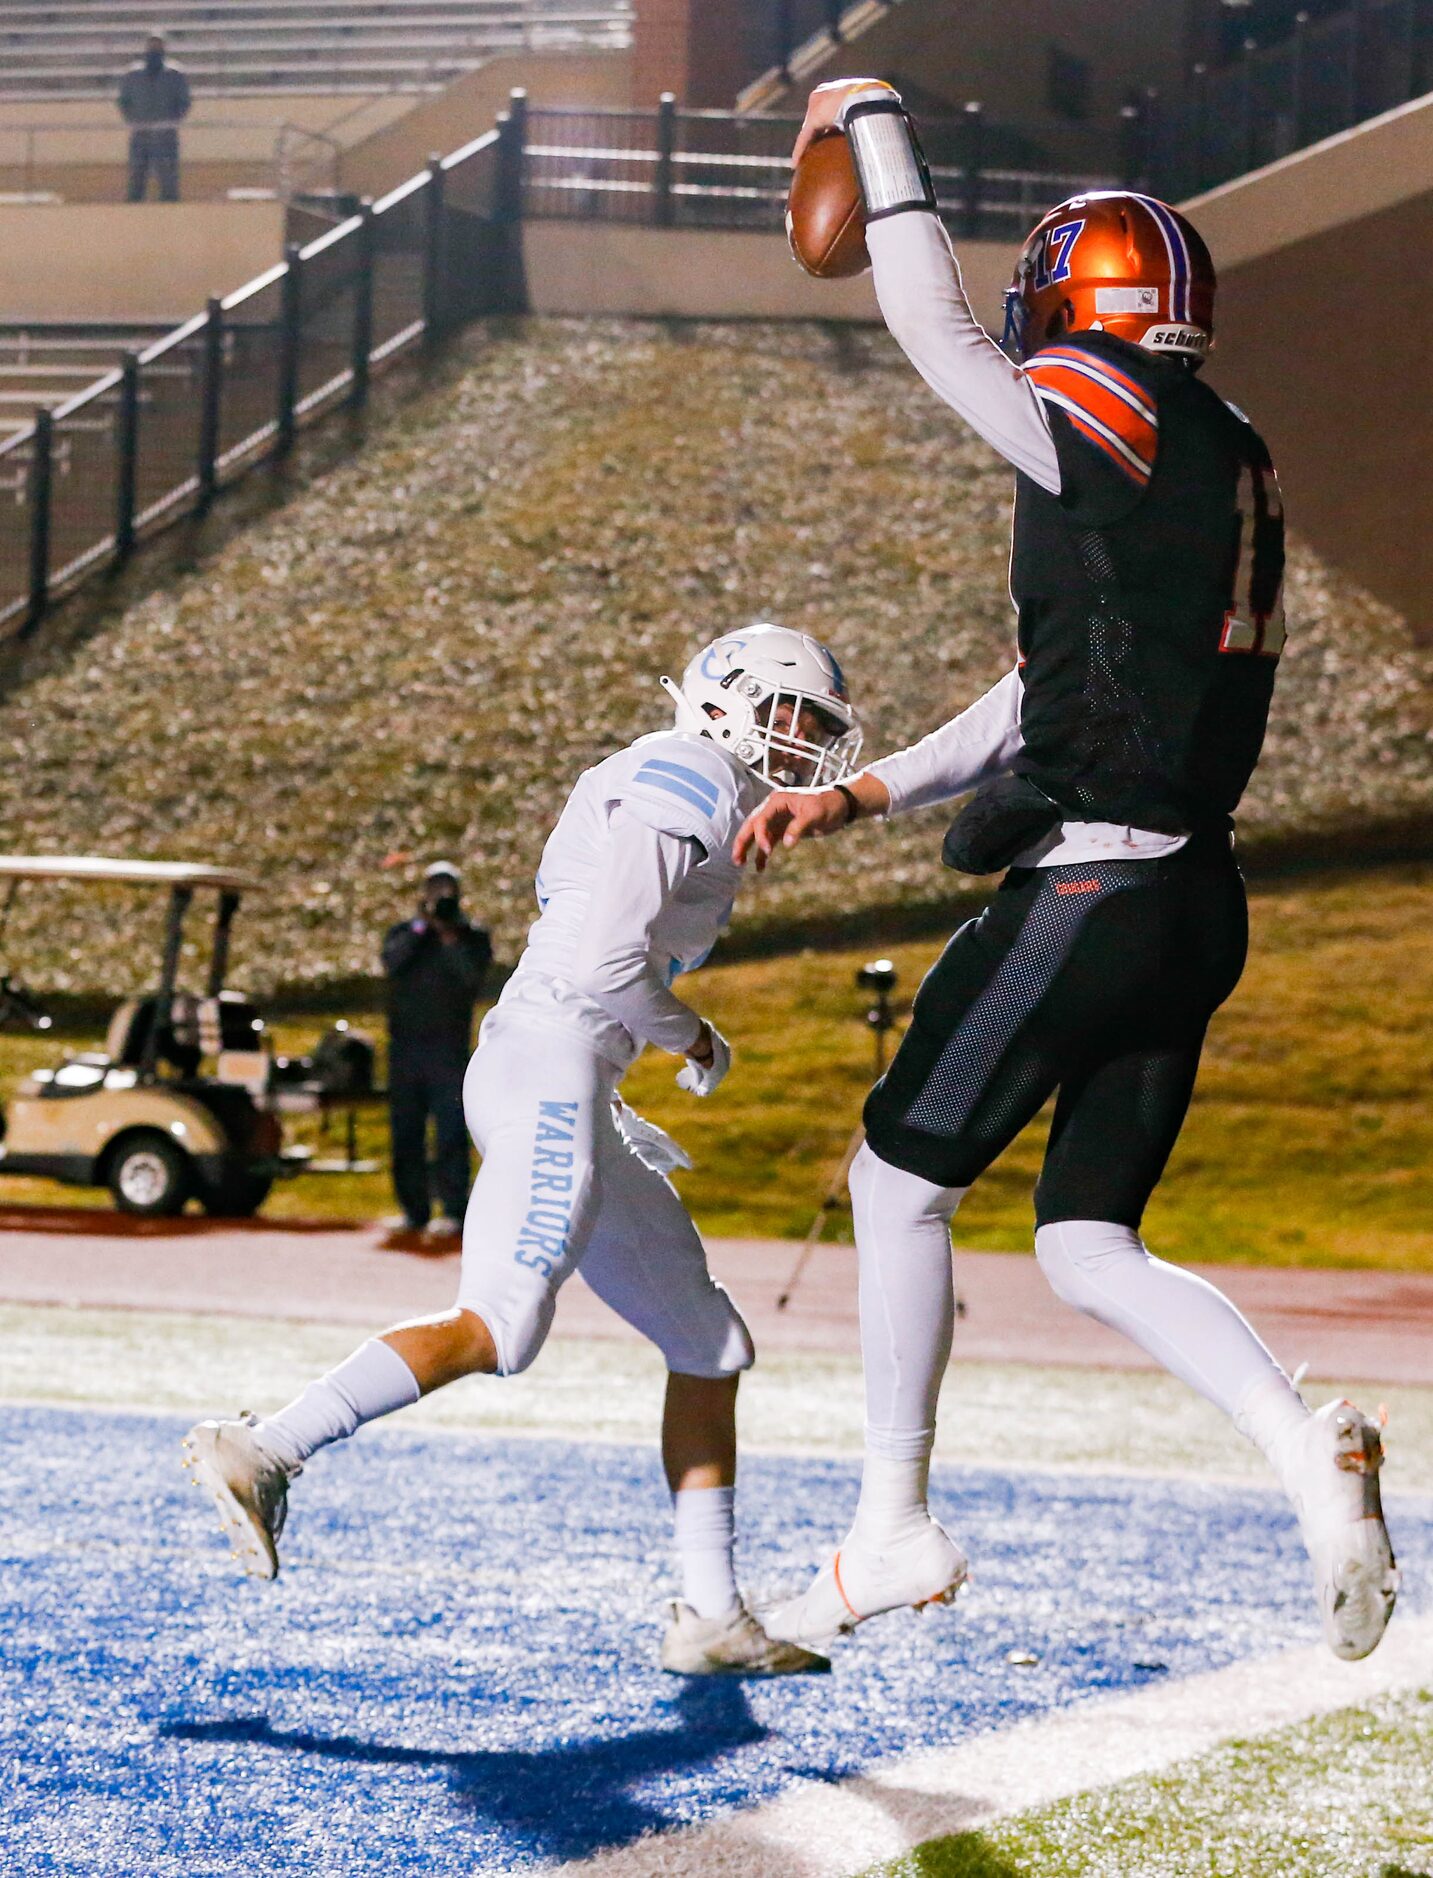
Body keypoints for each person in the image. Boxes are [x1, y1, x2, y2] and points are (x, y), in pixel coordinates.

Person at [734, 82, 1397, 1664]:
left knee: (901, 1181)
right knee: (1089, 1240)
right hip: (1192, 900)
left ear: (1080, 303)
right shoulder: (1225, 450)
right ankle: (1308, 1448)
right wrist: (872, 791)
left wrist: (869, 125)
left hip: (1098, 891)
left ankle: (890, 1524)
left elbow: (931, 328)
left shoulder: (1112, 412)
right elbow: (1057, 683)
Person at [183, 624, 862, 1677]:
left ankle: (710, 1615)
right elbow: (604, 964)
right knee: (503, 1325)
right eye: (793, 716)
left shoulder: (693, 784)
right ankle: (268, 1446)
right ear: (728, 699)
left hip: (571, 1072)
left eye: (819, 727)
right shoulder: (683, 768)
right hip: (554, 1056)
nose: (805, 741)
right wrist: (689, 1035)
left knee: (709, 1343)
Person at [382, 862, 492, 1238]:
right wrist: (423, 929)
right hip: (405, 1050)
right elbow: (392, 963)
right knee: (406, 1133)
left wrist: (449, 938)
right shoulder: (405, 933)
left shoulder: (471, 938)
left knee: (450, 1133)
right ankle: (413, 1210)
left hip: (448, 1050)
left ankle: (455, 1210)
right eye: (435, 889)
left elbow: (471, 978)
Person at [118, 33, 192, 203]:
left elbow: (184, 102)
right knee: (136, 179)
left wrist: (170, 122)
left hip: (166, 136)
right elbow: (123, 102)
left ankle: (171, 220)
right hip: (140, 134)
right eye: (152, 46)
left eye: (158, 46)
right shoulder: (132, 74)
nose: (154, 50)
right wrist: (135, 121)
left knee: (168, 181)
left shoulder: (175, 74)